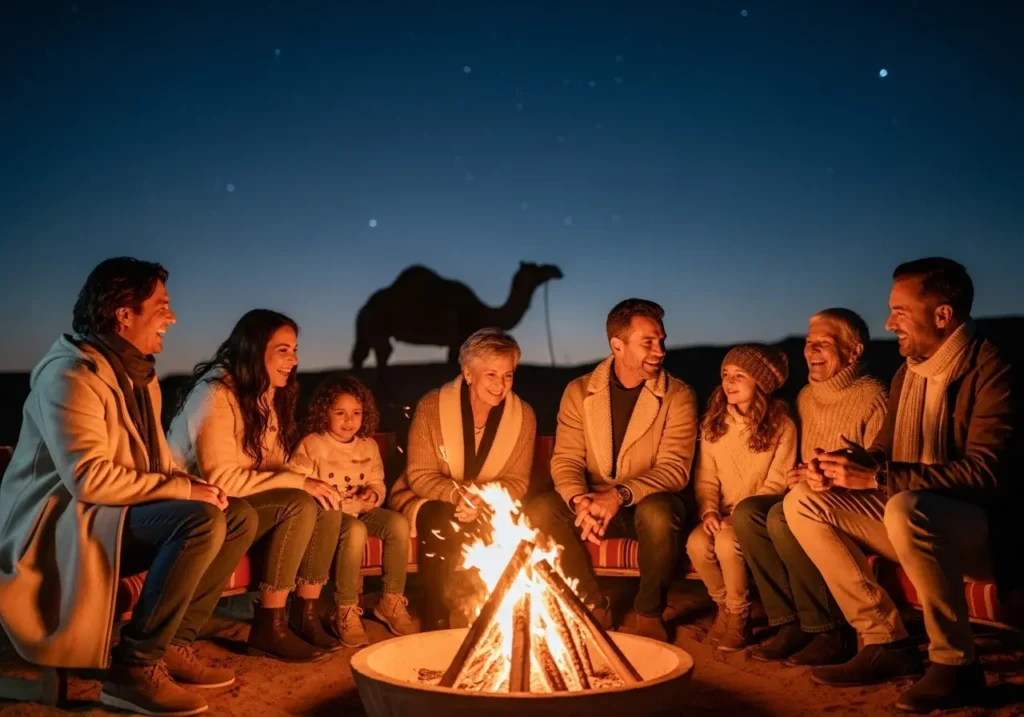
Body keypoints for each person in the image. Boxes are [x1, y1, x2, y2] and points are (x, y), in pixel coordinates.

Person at [0, 258, 256, 717]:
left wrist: (194, 484)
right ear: (124, 313)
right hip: (60, 526)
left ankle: (173, 643)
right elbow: (87, 478)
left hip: (110, 516)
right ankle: (132, 671)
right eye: (162, 305)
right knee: (198, 521)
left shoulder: (139, 376)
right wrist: (184, 495)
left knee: (238, 515)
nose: (172, 317)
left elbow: (157, 461)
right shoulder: (70, 375)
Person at [784, 258, 1016, 713]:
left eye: (899, 312)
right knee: (803, 501)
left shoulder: (994, 367)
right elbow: (886, 454)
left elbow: (989, 472)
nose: (889, 323)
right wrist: (846, 463)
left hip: (981, 528)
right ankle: (885, 641)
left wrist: (877, 476)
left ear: (942, 315)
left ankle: (956, 665)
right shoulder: (909, 372)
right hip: (914, 515)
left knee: (905, 505)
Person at [168, 310, 348, 662]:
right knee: (301, 502)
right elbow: (222, 480)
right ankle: (269, 626)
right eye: (283, 350)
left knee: (325, 501)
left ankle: (303, 615)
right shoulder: (215, 394)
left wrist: (311, 479)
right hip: (204, 508)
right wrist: (298, 482)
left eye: (295, 350)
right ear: (253, 349)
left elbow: (275, 467)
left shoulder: (267, 396)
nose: (293, 360)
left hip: (246, 503)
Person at [527, 298, 697, 642]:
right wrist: (579, 501)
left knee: (659, 515)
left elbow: (674, 469)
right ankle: (592, 603)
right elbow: (566, 459)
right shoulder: (579, 392)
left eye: (661, 340)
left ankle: (649, 611)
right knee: (541, 509)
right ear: (617, 346)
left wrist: (618, 495)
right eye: (648, 342)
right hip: (593, 499)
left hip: (648, 501)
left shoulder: (678, 395)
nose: (660, 350)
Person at [733, 309, 888, 666]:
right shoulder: (805, 397)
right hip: (811, 494)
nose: (812, 350)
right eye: (808, 343)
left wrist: (829, 480)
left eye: (824, 343)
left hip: (853, 506)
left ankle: (829, 629)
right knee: (748, 513)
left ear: (854, 351)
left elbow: (881, 476)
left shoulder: (874, 396)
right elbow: (805, 461)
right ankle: (789, 622)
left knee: (781, 517)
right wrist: (800, 474)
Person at [389, 328, 537, 630]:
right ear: (468, 373)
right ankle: (439, 615)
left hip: (489, 501)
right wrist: (459, 496)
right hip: (429, 497)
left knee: (502, 521)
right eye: (491, 375)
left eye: (508, 375)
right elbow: (420, 475)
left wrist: (482, 498)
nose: (500, 385)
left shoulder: (523, 416)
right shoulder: (431, 407)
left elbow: (518, 481)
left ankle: (487, 614)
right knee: (442, 519)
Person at [291, 375, 419, 645]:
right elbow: (296, 483)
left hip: (361, 509)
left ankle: (391, 601)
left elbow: (376, 481)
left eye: (356, 413)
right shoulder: (313, 444)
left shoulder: (368, 445)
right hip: (328, 517)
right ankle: (345, 609)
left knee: (398, 524)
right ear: (324, 413)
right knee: (356, 530)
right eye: (340, 413)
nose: (349, 420)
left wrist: (373, 494)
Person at [686, 344, 797, 652]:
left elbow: (778, 481)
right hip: (719, 514)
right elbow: (706, 477)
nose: (729, 382)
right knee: (696, 543)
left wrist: (739, 516)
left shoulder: (782, 426)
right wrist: (709, 511)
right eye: (725, 374)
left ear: (760, 383)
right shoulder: (713, 424)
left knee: (726, 542)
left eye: (739, 375)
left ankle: (740, 617)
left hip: (753, 516)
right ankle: (724, 606)